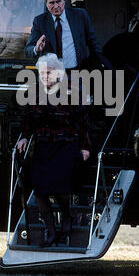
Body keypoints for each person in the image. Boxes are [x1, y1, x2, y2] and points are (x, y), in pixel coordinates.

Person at [17, 53, 91, 247]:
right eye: (42, 73)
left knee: (60, 190)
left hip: (66, 145)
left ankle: (67, 218)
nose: (45, 76)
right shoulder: (34, 93)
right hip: (43, 145)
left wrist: (85, 146)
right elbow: (28, 121)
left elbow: (82, 123)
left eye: (48, 72)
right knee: (40, 191)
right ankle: (51, 231)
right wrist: (24, 136)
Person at [24, 0, 111, 71]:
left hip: (78, 72)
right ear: (46, 3)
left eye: (58, 1)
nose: (56, 6)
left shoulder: (80, 15)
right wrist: (36, 48)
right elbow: (28, 50)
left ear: (64, 0)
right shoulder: (40, 21)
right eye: (51, 3)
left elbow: (93, 42)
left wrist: (100, 62)